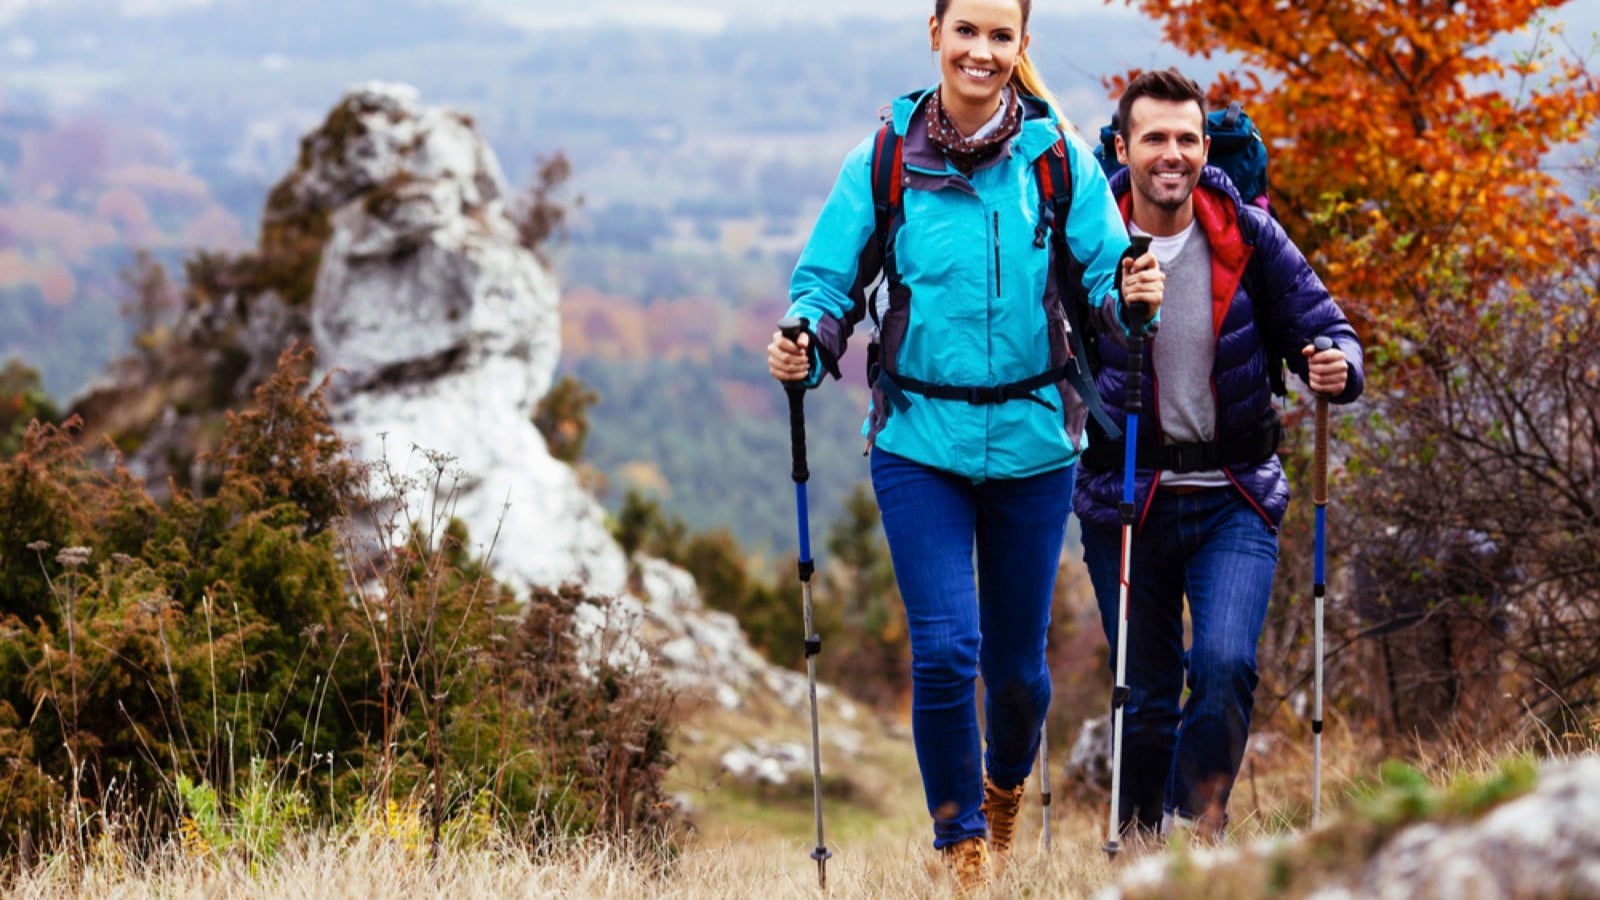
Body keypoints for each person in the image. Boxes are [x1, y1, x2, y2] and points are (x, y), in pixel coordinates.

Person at [766, 0, 1163, 888]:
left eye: (1000, 35)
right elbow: (828, 284)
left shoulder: (1056, 159)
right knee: (946, 651)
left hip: (1034, 444)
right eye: (967, 31)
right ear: (935, 34)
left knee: (1017, 674)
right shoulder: (885, 160)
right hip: (918, 440)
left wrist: (1132, 296)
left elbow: (1107, 276)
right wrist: (806, 341)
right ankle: (962, 848)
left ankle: (1003, 785)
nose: (981, 51)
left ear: (1022, 46)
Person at [1073, 67, 1365, 841]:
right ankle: (1141, 854)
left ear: (1206, 147)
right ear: (1123, 148)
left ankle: (1193, 837)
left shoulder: (1248, 233)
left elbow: (1326, 326)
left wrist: (1337, 365)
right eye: (1154, 138)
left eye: (1186, 138)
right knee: (1144, 694)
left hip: (1233, 493)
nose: (1171, 154)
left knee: (1226, 666)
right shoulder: (1090, 239)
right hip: (1123, 496)